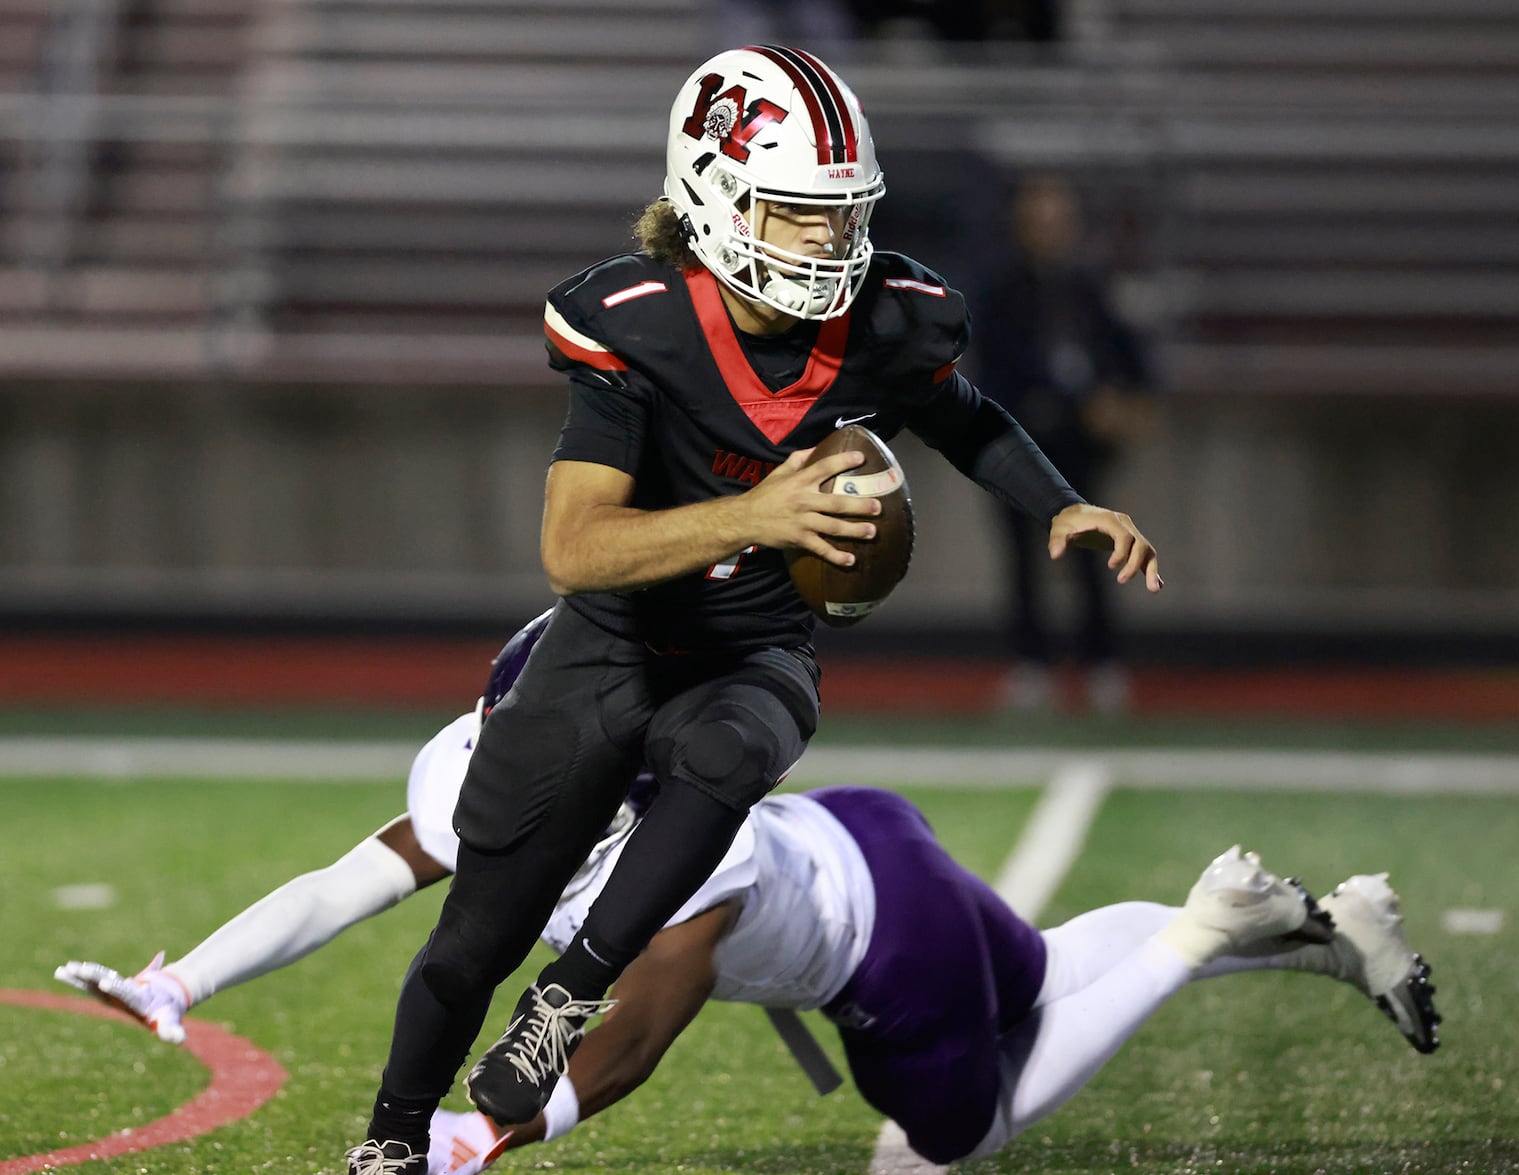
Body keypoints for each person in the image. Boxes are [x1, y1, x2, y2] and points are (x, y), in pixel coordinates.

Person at [349, 44, 1163, 1174]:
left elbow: (962, 415)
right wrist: (756, 515)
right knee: (469, 935)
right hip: (615, 641)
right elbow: (573, 550)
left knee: (736, 745)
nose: (830, 242)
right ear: (716, 195)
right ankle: (390, 1142)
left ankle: (569, 994)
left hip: (752, 648)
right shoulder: (638, 323)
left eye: (844, 216)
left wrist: (1060, 502)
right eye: (797, 215)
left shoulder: (886, 313)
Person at [60, 740, 1442, 1175]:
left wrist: (486, 1137)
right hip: (868, 836)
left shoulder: (668, 865)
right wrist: (181, 982)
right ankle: (1312, 937)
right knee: (1033, 972)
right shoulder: (514, 768)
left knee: (934, 1143)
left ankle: (1208, 926)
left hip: (874, 945)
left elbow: (641, 1035)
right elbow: (339, 883)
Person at [974, 173, 1161, 715]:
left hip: (1078, 450)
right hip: (1019, 449)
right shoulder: (1001, 293)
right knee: (1022, 561)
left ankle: (1101, 664)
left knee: (1091, 558)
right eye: (1038, 218)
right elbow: (990, 373)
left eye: (1056, 218)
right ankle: (1032, 664)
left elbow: (1131, 360)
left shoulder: (1089, 288)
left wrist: (1122, 405)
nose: (1047, 228)